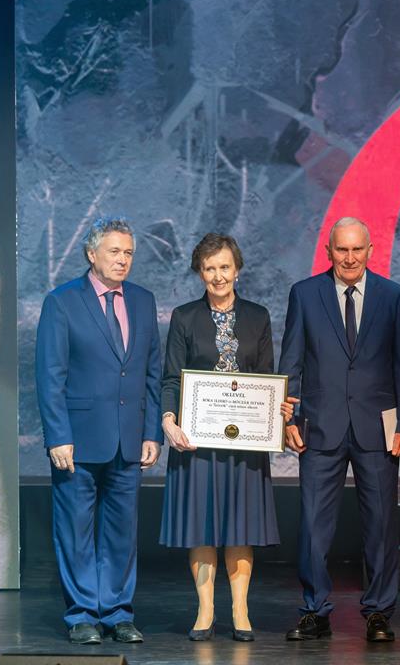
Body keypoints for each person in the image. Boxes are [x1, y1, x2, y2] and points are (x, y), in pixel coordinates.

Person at [279, 217, 400, 643]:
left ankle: (378, 612)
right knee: (313, 527)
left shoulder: (393, 296)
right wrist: (288, 419)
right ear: (329, 251)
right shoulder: (305, 294)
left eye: (358, 249)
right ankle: (314, 610)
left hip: (378, 428)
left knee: (381, 525)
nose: (350, 257)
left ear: (371, 250)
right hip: (319, 426)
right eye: (342, 249)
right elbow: (292, 361)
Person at [158, 233, 295, 642]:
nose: (218, 276)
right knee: (201, 527)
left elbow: (267, 379)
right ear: (200, 272)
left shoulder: (257, 316)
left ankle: (240, 608)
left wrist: (278, 409)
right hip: (196, 442)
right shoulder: (184, 317)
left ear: (237, 270)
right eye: (209, 268)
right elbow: (171, 377)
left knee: (240, 526)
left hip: (245, 444)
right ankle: (205, 610)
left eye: (224, 267)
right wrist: (169, 420)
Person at [35, 216, 162, 645]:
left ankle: (118, 613)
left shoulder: (143, 301)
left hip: (129, 438)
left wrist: (151, 432)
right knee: (76, 530)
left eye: (128, 253)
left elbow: (152, 372)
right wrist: (57, 436)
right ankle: (82, 614)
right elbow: (50, 376)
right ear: (92, 254)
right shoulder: (62, 302)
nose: (123, 260)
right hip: (78, 439)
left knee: (122, 532)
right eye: (114, 251)